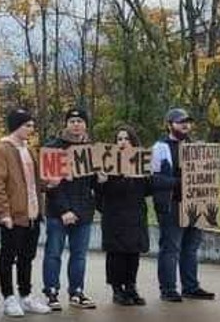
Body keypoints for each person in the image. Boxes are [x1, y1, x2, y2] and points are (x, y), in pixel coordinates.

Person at [0, 108, 51, 318]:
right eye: (28, 125)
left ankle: (26, 296)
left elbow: (34, 182)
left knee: (27, 257)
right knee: (8, 256)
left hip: (32, 214)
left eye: (32, 125)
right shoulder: (1, 150)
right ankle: (8, 298)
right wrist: (3, 213)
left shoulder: (29, 150)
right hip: (13, 215)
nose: (32, 129)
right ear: (17, 126)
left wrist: (48, 183)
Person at [151, 108, 216, 302]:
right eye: (180, 122)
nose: (186, 125)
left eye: (188, 121)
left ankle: (191, 287)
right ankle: (168, 289)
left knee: (191, 248)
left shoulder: (196, 147)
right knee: (170, 248)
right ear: (169, 125)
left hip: (195, 204)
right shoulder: (160, 148)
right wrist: (179, 182)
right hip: (171, 204)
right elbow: (153, 179)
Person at [95, 125, 159, 306]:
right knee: (116, 254)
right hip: (115, 215)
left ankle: (131, 287)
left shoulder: (141, 164)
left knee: (133, 253)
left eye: (126, 139)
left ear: (133, 142)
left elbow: (148, 190)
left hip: (135, 214)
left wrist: (148, 177)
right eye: (119, 139)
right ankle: (117, 290)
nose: (123, 142)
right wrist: (102, 181)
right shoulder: (107, 163)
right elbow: (99, 192)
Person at [41, 108, 98, 310]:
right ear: (66, 124)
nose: (76, 124)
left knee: (79, 255)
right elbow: (51, 186)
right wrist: (64, 210)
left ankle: (77, 292)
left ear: (85, 125)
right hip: (58, 213)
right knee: (53, 253)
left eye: (80, 121)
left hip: (83, 212)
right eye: (72, 121)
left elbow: (92, 186)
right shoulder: (53, 148)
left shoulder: (93, 151)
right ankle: (51, 292)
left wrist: (102, 180)